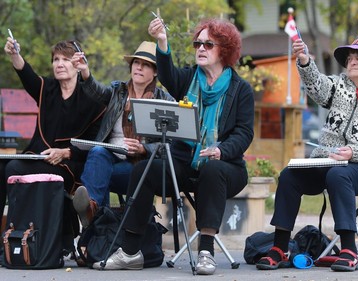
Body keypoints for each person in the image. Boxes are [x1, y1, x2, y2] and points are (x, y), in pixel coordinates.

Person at [92, 18, 254, 274]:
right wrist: (162, 41)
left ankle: (206, 252)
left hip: (226, 167)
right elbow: (167, 73)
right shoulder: (189, 78)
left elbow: (245, 133)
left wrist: (222, 150)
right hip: (184, 163)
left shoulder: (240, 89)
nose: (200, 48)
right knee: (143, 170)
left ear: (224, 49)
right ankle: (131, 251)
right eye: (197, 43)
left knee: (212, 169)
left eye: (208, 44)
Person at [256, 36, 358, 272]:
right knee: (290, 175)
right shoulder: (340, 85)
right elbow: (318, 87)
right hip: (328, 160)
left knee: (339, 177)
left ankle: (349, 250)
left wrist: (353, 151)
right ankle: (280, 247)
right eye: (350, 58)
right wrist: (304, 60)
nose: (352, 62)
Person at [2, 39, 106, 252]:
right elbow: (26, 74)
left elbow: (96, 143)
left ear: (77, 64)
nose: (59, 64)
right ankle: (8, 239)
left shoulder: (91, 98)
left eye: (65, 60)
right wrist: (14, 53)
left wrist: (67, 152)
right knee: (2, 166)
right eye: (55, 59)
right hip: (39, 157)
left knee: (13, 168)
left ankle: (22, 239)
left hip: (71, 165)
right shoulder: (47, 88)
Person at [72, 41, 174, 229]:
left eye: (146, 65)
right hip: (110, 158)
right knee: (97, 151)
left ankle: (93, 218)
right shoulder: (118, 91)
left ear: (156, 71)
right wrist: (85, 71)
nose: (139, 67)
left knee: (98, 176)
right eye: (136, 63)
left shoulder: (164, 100)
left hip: (139, 167)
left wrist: (144, 148)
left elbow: (171, 144)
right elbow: (97, 90)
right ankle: (93, 210)